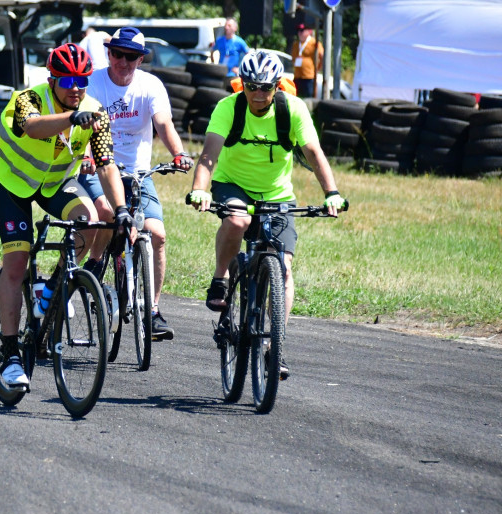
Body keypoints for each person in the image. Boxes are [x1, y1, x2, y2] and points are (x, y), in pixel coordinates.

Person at [0, 42, 132, 390]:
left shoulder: (95, 113)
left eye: (82, 79)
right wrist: (70, 118)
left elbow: (106, 165)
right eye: (67, 80)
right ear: (52, 80)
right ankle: (11, 353)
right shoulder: (28, 99)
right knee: (16, 264)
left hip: (53, 184)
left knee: (90, 220)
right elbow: (33, 128)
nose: (76, 87)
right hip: (13, 182)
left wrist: (121, 209)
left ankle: (49, 289)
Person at [187, 50, 346, 379]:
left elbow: (314, 153)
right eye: (252, 86)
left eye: (266, 87)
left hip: (277, 196)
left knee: (284, 270)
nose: (259, 94)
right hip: (233, 185)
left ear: (278, 86)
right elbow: (208, 157)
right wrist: (200, 189)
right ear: (242, 85)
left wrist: (331, 193)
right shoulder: (228, 109)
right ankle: (221, 280)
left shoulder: (293, 110)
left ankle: (276, 346)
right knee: (237, 220)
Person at [78, 27, 194, 340]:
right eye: (117, 54)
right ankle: (95, 262)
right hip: (99, 168)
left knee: (157, 235)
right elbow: (84, 128)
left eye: (131, 56)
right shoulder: (94, 83)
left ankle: (153, 310)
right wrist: (88, 158)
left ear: (140, 59)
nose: (123, 61)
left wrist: (178, 154)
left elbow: (163, 123)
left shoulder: (150, 85)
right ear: (109, 53)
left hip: (137, 174)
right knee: (105, 210)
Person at [290, 23, 323, 98]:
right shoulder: (296, 44)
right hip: (297, 76)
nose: (300, 32)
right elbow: (293, 58)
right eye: (298, 30)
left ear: (309, 31)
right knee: (296, 97)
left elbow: (321, 56)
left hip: (309, 77)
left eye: (302, 30)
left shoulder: (314, 43)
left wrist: (318, 68)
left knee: (308, 98)